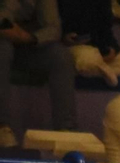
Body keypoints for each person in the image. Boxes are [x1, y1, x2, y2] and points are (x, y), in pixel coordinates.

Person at [0, 0, 79, 149]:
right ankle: (1, 125)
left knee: (60, 56)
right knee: (2, 49)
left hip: (25, 44)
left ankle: (66, 129)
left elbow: (53, 28)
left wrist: (28, 37)